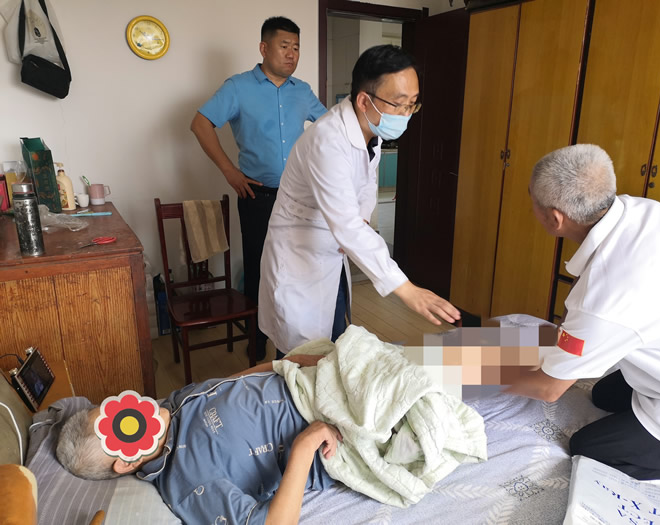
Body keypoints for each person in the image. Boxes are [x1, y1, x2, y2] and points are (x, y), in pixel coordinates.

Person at [506, 143, 660, 482]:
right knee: (602, 394)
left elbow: (549, 389)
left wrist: (478, 371)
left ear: (555, 218)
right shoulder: (641, 210)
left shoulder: (606, 293)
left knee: (588, 448)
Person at [258, 45, 460, 356]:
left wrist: (362, 219)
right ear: (365, 100)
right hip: (300, 257)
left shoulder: (370, 133)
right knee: (300, 357)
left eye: (412, 104)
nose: (406, 115)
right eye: (399, 104)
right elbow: (346, 224)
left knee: (334, 342)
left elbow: (366, 183)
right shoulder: (328, 141)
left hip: (332, 253)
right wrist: (407, 290)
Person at [56, 355, 342, 525]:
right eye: (122, 425)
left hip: (307, 378)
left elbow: (229, 383)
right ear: (126, 462)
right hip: (329, 425)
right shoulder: (189, 484)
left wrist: (283, 363)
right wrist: (307, 443)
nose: (134, 412)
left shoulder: (172, 405)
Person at [191, 16, 327, 361]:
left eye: (296, 47)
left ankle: (293, 342)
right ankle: (256, 342)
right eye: (284, 46)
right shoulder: (238, 87)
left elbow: (330, 128)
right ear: (264, 48)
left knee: (298, 270)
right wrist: (229, 170)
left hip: (300, 198)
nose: (292, 54)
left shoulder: (302, 91)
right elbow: (200, 123)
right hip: (258, 197)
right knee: (259, 269)